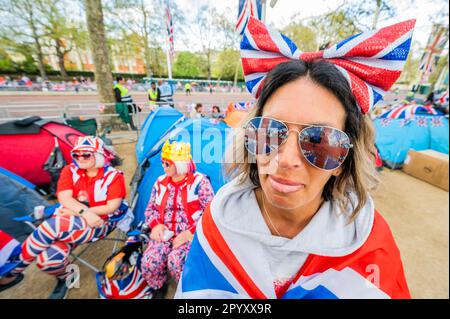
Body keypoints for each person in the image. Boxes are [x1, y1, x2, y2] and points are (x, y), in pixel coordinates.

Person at [176, 17, 413, 299]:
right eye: (269, 132)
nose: (286, 159)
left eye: (320, 141)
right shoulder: (218, 221)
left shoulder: (370, 242)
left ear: (345, 161)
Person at [2, 136, 129, 299]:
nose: (80, 158)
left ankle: (13, 272)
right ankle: (67, 276)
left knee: (51, 226)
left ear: (98, 155)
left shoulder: (113, 176)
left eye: (86, 155)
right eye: (76, 155)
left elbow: (112, 207)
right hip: (70, 223)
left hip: (101, 222)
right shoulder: (70, 170)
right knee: (46, 260)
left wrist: (77, 211)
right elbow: (64, 198)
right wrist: (83, 212)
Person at [141, 140, 214, 298]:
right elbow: (150, 209)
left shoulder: (200, 182)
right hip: (164, 232)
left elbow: (210, 212)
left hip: (190, 234)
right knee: (149, 261)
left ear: (179, 164)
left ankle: (189, 290)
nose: (163, 166)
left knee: (176, 262)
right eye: (162, 162)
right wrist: (155, 226)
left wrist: (189, 233)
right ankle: (158, 286)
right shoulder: (160, 183)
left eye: (167, 163)